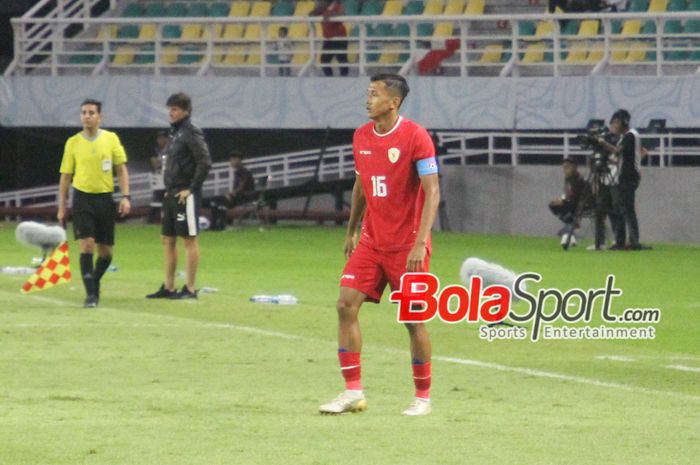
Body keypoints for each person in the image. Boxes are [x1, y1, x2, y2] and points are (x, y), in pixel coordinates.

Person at [319, 74, 441, 416]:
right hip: (372, 242)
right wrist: (351, 229)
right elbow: (361, 185)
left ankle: (423, 397)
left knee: (413, 320)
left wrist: (421, 242)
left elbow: (432, 190)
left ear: (393, 102)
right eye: (367, 93)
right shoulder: (361, 136)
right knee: (345, 306)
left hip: (407, 246)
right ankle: (352, 392)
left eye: (374, 94)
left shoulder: (416, 136)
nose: (367, 99)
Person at [57, 98, 131, 308]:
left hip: (104, 199)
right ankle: (91, 295)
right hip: (82, 198)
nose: (86, 116)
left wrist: (126, 196)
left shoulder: (111, 139)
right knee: (86, 244)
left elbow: (121, 169)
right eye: (83, 113)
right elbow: (65, 177)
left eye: (91, 113)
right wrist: (62, 207)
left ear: (100, 117)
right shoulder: (73, 142)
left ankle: (93, 280)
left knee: (106, 252)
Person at [146, 93, 212, 299]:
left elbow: (205, 161)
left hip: (185, 193)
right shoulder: (176, 133)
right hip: (172, 192)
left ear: (185, 111)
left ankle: (190, 288)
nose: (170, 113)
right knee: (167, 239)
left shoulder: (191, 132)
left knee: (189, 239)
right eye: (170, 109)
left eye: (174, 109)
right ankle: (169, 286)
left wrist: (191, 188)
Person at [597, 109, 646, 250]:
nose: (615, 125)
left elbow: (618, 151)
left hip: (628, 176)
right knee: (621, 209)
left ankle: (633, 241)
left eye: (617, 122)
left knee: (628, 209)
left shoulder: (630, 136)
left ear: (624, 122)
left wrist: (602, 142)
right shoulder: (627, 136)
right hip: (625, 176)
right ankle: (624, 240)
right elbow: (621, 156)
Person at [209, 151, 257, 231]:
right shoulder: (238, 171)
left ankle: (223, 224)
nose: (231, 162)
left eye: (233, 160)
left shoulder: (243, 171)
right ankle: (214, 226)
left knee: (220, 201)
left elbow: (242, 186)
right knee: (215, 202)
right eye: (231, 160)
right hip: (239, 196)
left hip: (245, 197)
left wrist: (231, 194)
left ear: (239, 160)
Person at [549, 158, 587, 247]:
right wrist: (562, 199)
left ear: (574, 167)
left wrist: (562, 201)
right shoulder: (568, 179)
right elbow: (567, 193)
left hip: (580, 204)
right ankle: (571, 227)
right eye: (564, 168)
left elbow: (576, 196)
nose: (565, 170)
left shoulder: (579, 180)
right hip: (572, 202)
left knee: (559, 207)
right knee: (553, 205)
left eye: (567, 167)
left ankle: (568, 230)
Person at [310, 0, 348, 77]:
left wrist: (331, 14)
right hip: (328, 39)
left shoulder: (336, 5)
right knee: (324, 60)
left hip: (339, 38)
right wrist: (316, 10)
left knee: (341, 59)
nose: (319, 3)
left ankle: (344, 77)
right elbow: (311, 14)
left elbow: (343, 15)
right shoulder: (322, 9)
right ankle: (329, 76)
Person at [148, 130, 168, 224]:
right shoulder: (154, 150)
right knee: (156, 199)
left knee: (168, 200)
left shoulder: (171, 149)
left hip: (169, 178)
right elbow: (155, 164)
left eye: (163, 137)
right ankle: (150, 221)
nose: (161, 140)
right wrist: (163, 162)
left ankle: (168, 221)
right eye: (159, 138)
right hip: (158, 178)